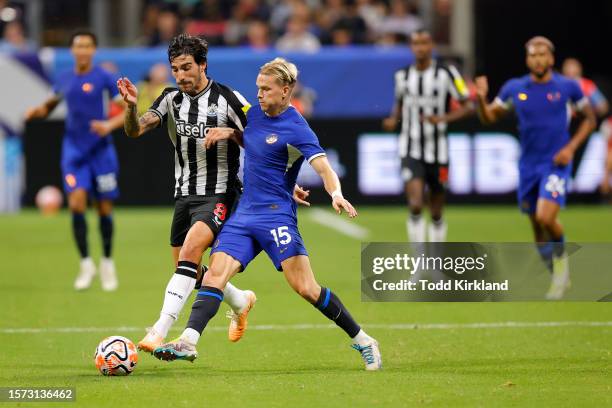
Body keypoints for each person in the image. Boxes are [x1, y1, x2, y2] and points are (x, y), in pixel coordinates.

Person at [152, 57, 383, 371]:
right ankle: (188, 341)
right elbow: (255, 142)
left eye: (266, 89)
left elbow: (324, 167)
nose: (259, 94)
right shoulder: (252, 115)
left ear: (285, 90)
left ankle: (363, 339)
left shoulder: (297, 127)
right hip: (245, 213)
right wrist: (230, 134)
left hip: (277, 218)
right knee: (216, 273)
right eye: (257, 88)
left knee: (306, 288)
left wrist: (336, 193)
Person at [117, 34, 256, 352]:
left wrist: (232, 132)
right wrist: (129, 107)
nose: (180, 76)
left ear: (203, 65)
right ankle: (240, 300)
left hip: (220, 194)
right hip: (184, 196)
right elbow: (135, 129)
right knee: (188, 270)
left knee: (192, 249)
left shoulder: (228, 99)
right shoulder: (169, 99)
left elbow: (260, 141)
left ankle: (159, 330)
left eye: (186, 68)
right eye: (175, 69)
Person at [475, 36, 596, 300]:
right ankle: (557, 278)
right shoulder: (514, 87)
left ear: (551, 58)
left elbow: (590, 118)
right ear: (527, 59)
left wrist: (570, 149)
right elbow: (489, 118)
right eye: (533, 55)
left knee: (546, 217)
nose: (538, 59)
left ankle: (561, 277)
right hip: (528, 165)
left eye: (543, 54)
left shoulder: (568, 87)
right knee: (537, 228)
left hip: (556, 163)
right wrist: (482, 100)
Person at [25, 31, 124, 291]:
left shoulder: (104, 77)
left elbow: (126, 112)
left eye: (88, 45)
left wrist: (108, 124)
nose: (83, 50)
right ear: (72, 50)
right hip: (74, 152)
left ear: (94, 50)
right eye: (79, 45)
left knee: (104, 209)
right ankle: (85, 264)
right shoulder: (64, 78)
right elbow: (49, 105)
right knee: (77, 203)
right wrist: (36, 112)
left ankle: (107, 262)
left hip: (101, 152)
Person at [382, 29, 472, 243]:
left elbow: (468, 105)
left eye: (424, 43)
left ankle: (435, 264)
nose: (420, 48)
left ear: (431, 46)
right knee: (415, 203)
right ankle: (420, 266)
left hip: (439, 151)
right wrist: (392, 119)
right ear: (412, 47)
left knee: (436, 210)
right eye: (416, 43)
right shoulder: (402, 76)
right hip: (410, 148)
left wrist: (443, 119)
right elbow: (399, 106)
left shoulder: (448, 73)